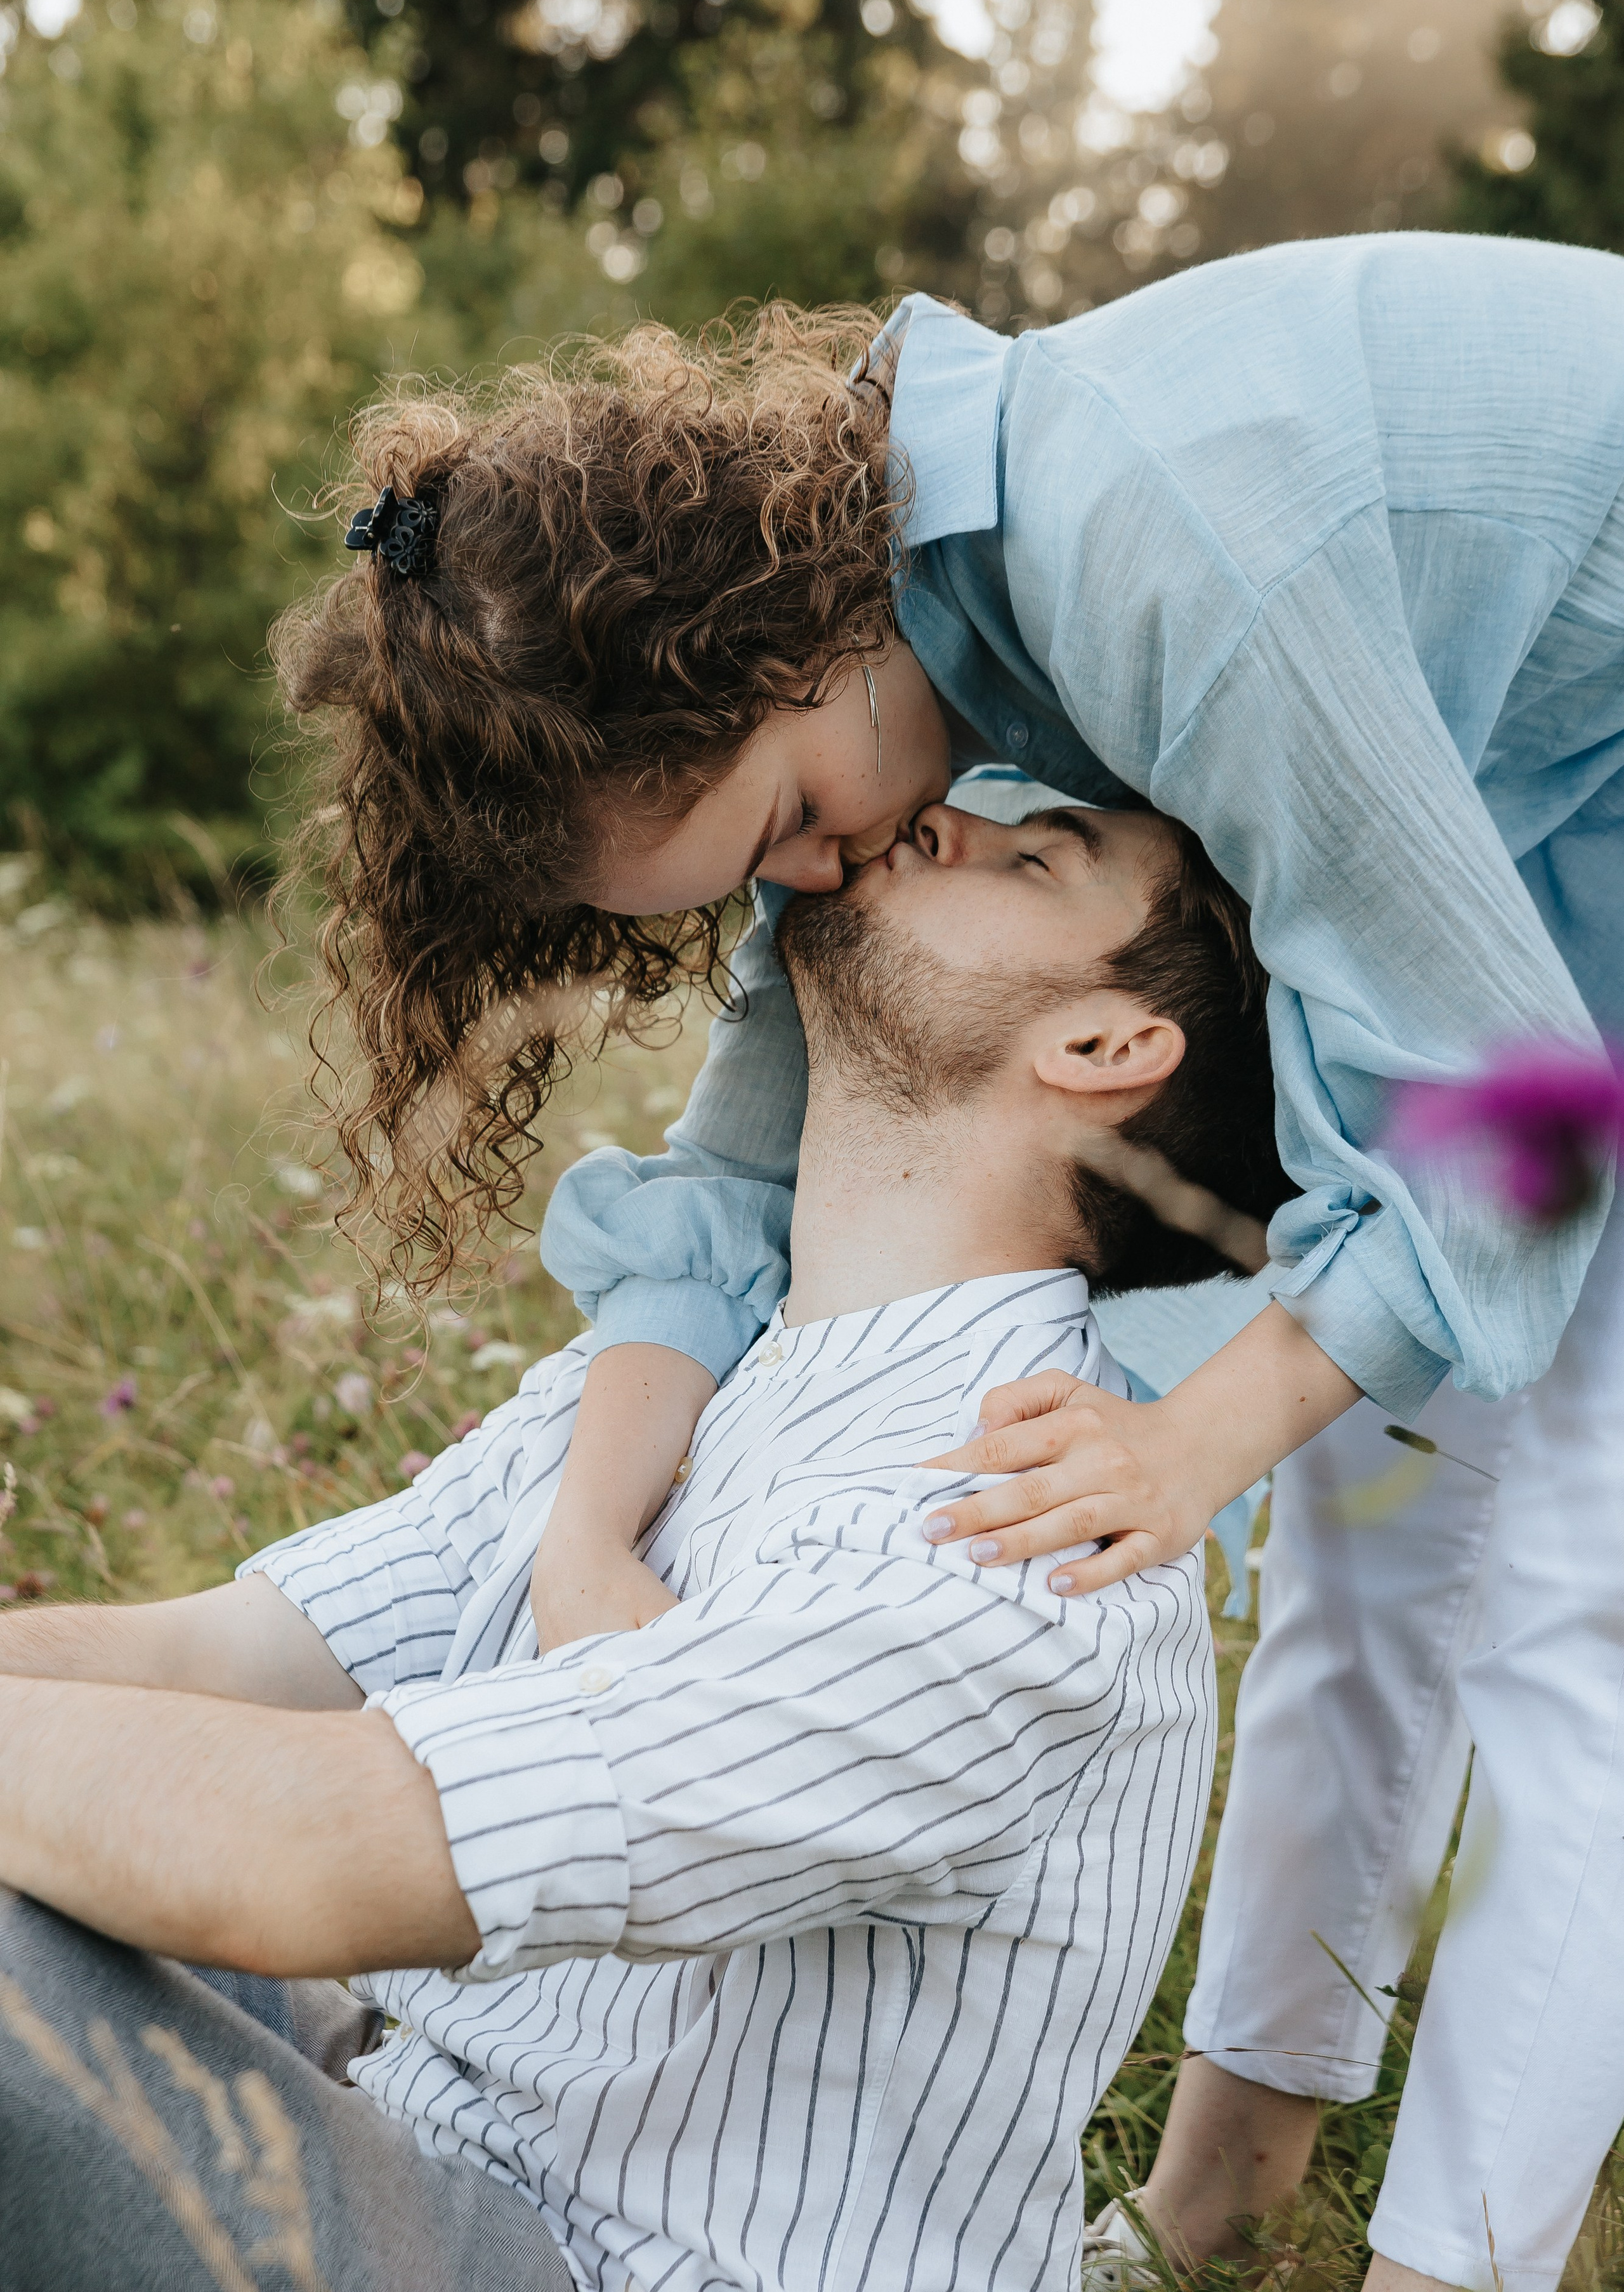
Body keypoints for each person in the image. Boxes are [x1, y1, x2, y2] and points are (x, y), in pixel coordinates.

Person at [274, 233, 1624, 2291]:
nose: (812, 891)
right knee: (1379, 1486)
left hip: (1570, 781)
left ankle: (1459, 2270)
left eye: (786, 829)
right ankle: (1224, 2200)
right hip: (1538, 774)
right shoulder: (889, 654)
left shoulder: (1161, 562)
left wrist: (1183, 1445)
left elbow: (1522, 1124)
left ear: (760, 651)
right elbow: (729, 1194)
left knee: (1570, 1586)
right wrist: (582, 1534)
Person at [0, 797, 1279, 2292]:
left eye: (1033, 859)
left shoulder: (1013, 1533)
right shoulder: (692, 1373)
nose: (941, 822)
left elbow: (303, 1855)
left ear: (1106, 1048)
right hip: (414, 2120)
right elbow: (213, 1660)